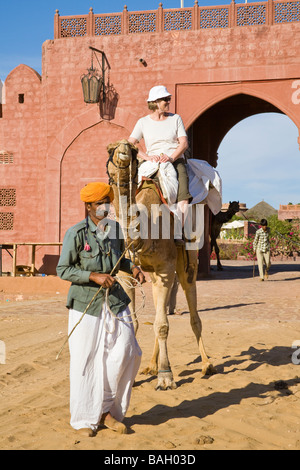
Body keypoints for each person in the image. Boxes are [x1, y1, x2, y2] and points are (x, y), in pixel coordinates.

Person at [56, 182, 145, 437]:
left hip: (115, 300)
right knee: (86, 359)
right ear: (88, 206)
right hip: (86, 304)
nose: (106, 207)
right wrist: (93, 276)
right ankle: (85, 418)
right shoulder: (76, 233)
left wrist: (133, 268)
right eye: (100, 204)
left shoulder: (115, 229)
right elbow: (63, 269)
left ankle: (107, 410)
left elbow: (120, 258)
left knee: (127, 350)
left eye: (108, 202)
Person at [128, 85, 192, 243]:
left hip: (175, 160)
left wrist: (171, 158)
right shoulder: (143, 122)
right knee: (132, 189)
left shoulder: (175, 119)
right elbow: (131, 143)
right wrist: (147, 156)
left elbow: (183, 143)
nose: (168, 101)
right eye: (165, 99)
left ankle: (177, 233)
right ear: (155, 102)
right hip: (152, 162)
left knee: (183, 195)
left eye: (168, 99)